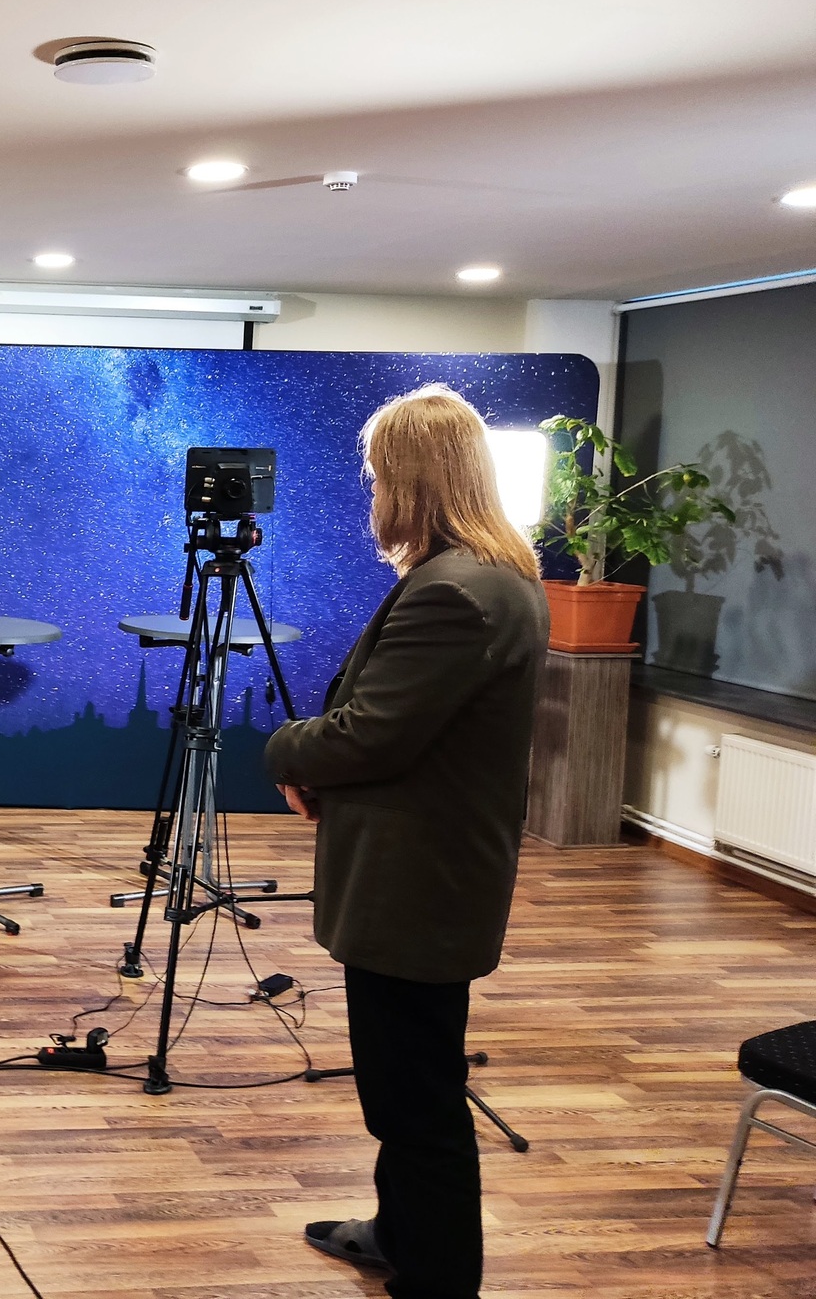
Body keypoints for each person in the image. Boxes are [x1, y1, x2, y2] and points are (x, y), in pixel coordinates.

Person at [264, 384, 549, 1299]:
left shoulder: (458, 592)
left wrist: (285, 749)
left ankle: (436, 1276)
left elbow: (370, 735)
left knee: (415, 1101)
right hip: (428, 879)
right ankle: (401, 1232)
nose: (373, 491)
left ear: (414, 477)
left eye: (379, 473)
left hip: (415, 888)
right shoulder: (491, 575)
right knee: (406, 1086)